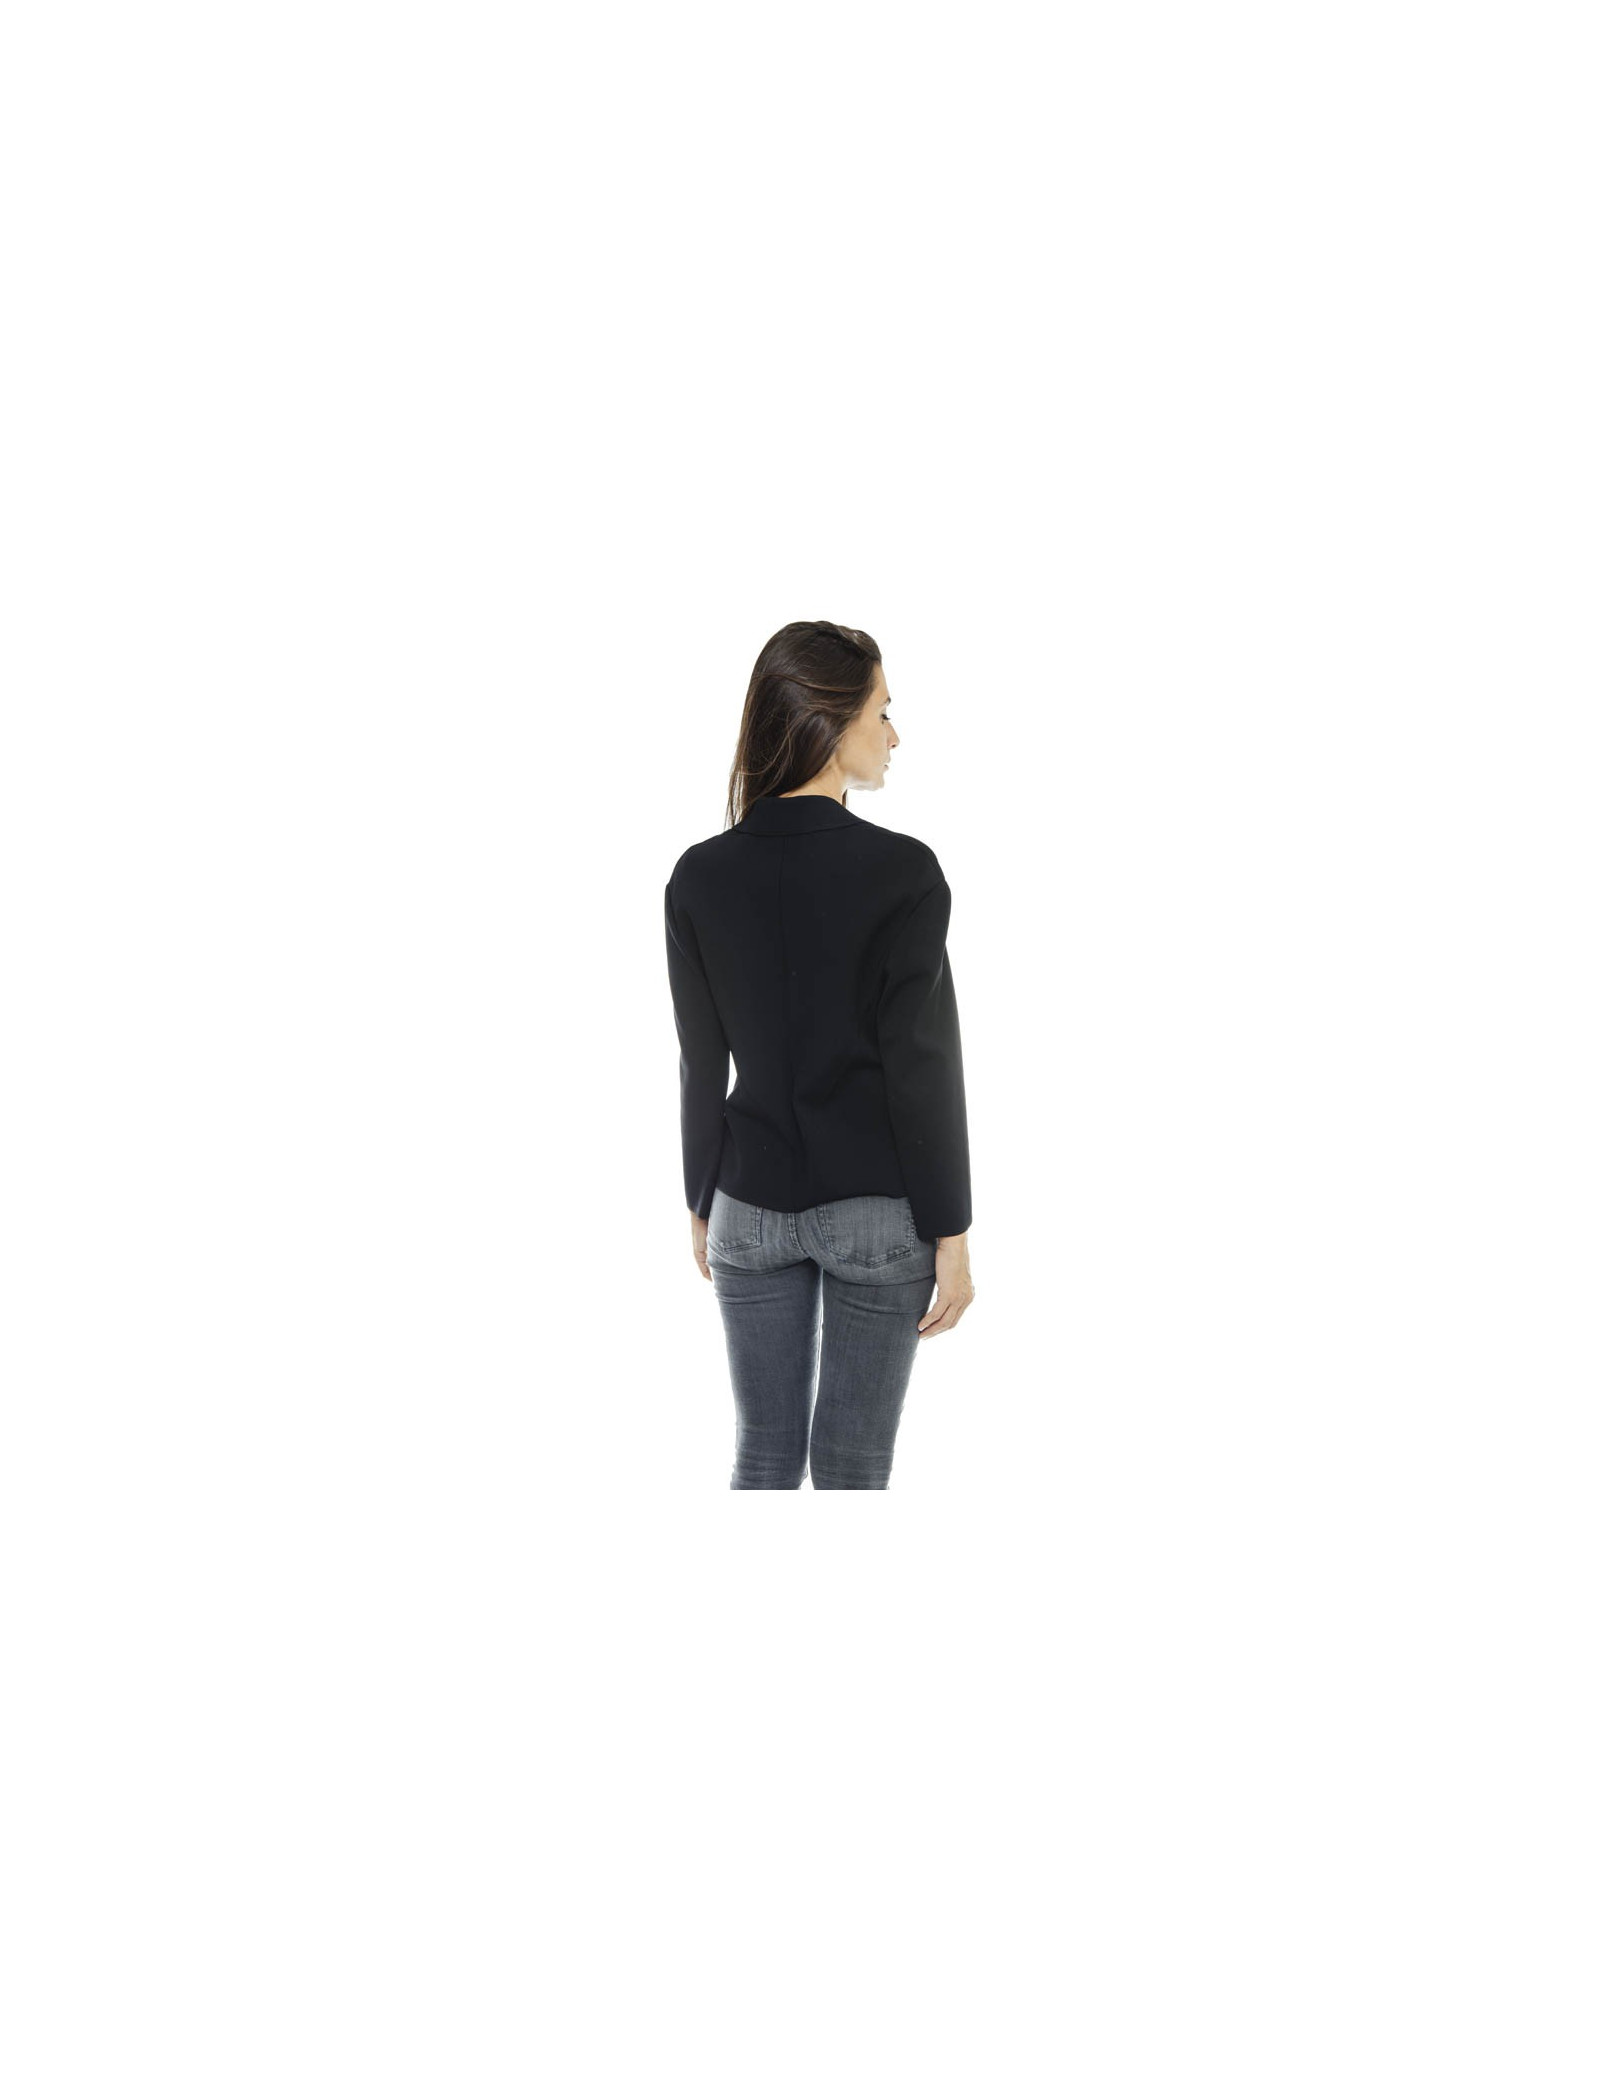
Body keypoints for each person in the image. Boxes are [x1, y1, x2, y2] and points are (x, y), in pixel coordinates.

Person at [664, 620, 976, 1489]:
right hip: (876, 1212)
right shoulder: (904, 872)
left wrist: (700, 1199)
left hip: (747, 1205)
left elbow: (700, 1060)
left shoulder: (698, 876)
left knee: (762, 1456)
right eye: (883, 711)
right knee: (852, 1470)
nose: (893, 735)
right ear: (833, 722)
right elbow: (921, 1065)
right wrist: (952, 1229)